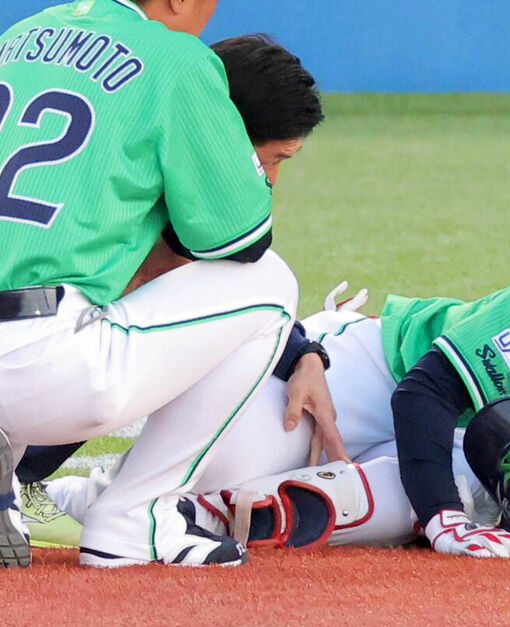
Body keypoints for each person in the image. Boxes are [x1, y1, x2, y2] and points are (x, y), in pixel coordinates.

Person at [44, 252, 510, 558]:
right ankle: (79, 491)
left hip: (462, 461)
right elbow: (428, 390)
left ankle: (211, 513)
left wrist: (451, 514)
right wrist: (440, 519)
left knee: (478, 493)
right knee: (219, 462)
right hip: (386, 369)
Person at [0, 1, 322, 569]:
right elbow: (242, 239)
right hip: (38, 364)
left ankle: (10, 480)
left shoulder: (22, 33)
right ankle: (132, 517)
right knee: (270, 283)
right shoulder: (177, 58)